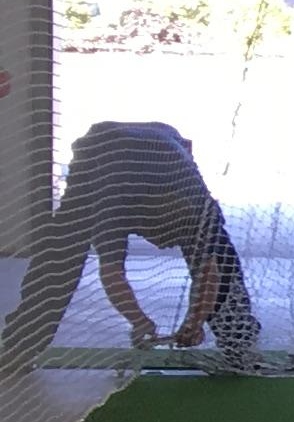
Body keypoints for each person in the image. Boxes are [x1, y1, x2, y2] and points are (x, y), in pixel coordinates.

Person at [1, 120, 259, 368]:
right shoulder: (109, 207)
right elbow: (112, 273)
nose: (164, 247)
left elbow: (210, 271)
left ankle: (238, 342)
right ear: (144, 223)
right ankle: (19, 346)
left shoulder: (198, 209)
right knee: (61, 255)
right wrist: (139, 321)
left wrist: (196, 321)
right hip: (99, 154)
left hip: (167, 145)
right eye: (164, 239)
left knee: (220, 256)